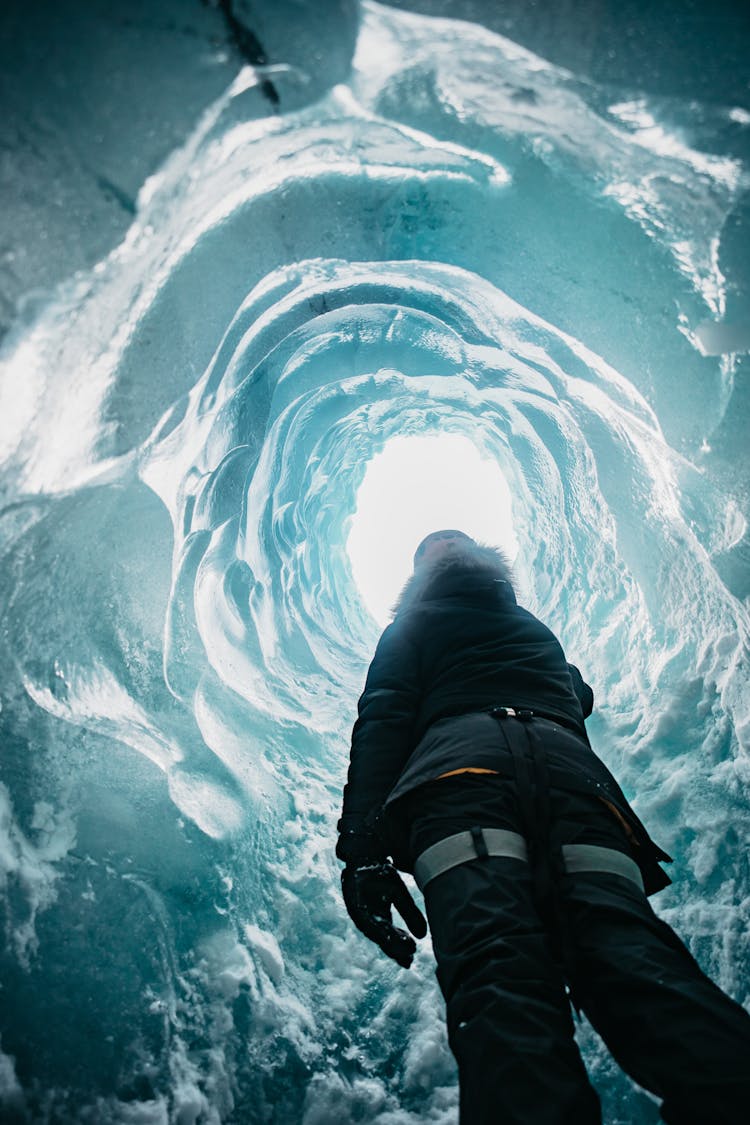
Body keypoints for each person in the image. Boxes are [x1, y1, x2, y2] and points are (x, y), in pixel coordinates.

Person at [336, 530, 750, 1125]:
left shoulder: (413, 624)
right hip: (575, 785)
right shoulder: (530, 626)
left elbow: (385, 716)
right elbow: (578, 695)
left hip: (460, 780)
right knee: (636, 960)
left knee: (498, 972)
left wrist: (363, 849)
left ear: (420, 577)